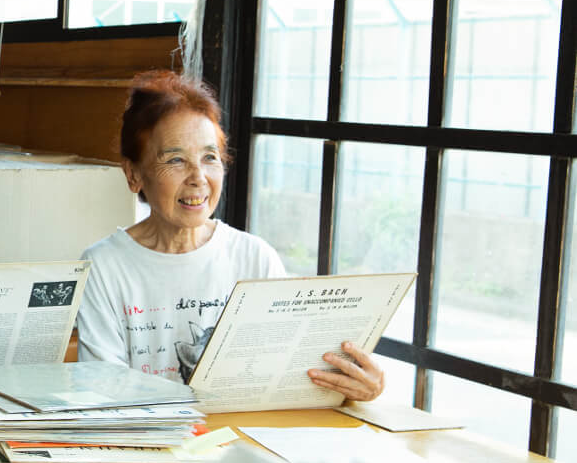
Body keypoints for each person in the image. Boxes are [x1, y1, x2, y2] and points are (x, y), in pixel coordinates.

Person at [76, 70, 384, 401]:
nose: (198, 178)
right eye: (176, 160)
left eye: (210, 158)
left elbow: (286, 376)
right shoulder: (103, 266)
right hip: (151, 444)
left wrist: (356, 387)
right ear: (134, 174)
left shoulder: (254, 257)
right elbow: (102, 393)